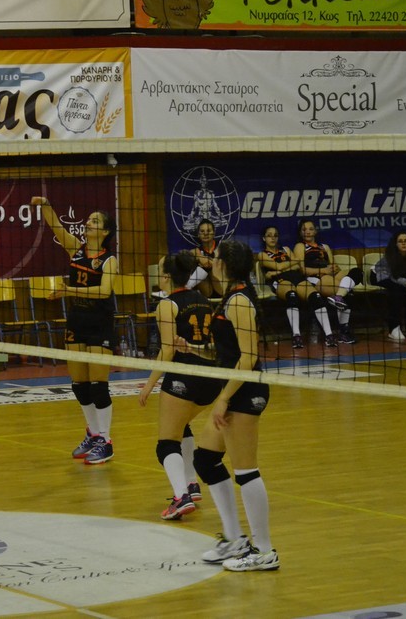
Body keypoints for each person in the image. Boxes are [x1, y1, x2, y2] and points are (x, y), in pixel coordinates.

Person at [176, 239, 279, 571]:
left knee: (246, 470)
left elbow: (248, 358)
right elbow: (225, 354)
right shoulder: (229, 297)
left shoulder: (240, 301)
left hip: (245, 392)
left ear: (224, 263)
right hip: (233, 389)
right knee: (205, 460)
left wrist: (222, 399)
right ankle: (235, 539)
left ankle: (264, 550)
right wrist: (193, 349)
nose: (210, 261)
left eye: (215, 257)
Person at [30, 196, 119, 465]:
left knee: (98, 385)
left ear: (105, 231)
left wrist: (69, 290)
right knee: (80, 385)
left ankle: (106, 441)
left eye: (95, 221)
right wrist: (45, 205)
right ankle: (93, 434)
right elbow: (56, 227)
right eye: (88, 220)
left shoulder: (109, 260)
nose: (88, 223)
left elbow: (104, 292)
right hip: (77, 322)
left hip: (100, 324)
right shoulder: (76, 250)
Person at [139, 253, 219, 520]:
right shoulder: (204, 299)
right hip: (212, 378)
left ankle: (180, 497)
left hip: (184, 378)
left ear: (166, 277)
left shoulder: (166, 305)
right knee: (181, 426)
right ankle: (191, 484)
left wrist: (149, 385)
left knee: (165, 444)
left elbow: (167, 350)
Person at [257, 225, 337, 349]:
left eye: (275, 235)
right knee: (292, 296)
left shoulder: (286, 249)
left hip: (296, 277)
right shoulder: (262, 254)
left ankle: (329, 335)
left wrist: (278, 270)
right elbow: (280, 266)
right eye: (269, 236)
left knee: (316, 297)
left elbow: (298, 265)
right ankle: (296, 336)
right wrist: (284, 267)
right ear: (264, 238)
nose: (272, 238)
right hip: (281, 281)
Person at [293, 219, 358, 344]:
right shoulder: (300, 246)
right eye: (304, 229)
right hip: (315, 278)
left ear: (315, 231)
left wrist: (335, 268)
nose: (308, 232)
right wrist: (324, 270)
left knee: (356, 272)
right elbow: (302, 270)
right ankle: (343, 331)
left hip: (330, 276)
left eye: (311, 229)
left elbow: (333, 265)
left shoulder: (324, 247)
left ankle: (339, 296)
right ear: (300, 233)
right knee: (347, 292)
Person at [371, 232, 406, 342]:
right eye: (400, 241)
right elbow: (392, 277)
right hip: (379, 276)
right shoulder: (390, 256)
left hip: (397, 279)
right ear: (395, 244)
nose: (403, 243)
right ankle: (393, 328)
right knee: (396, 289)